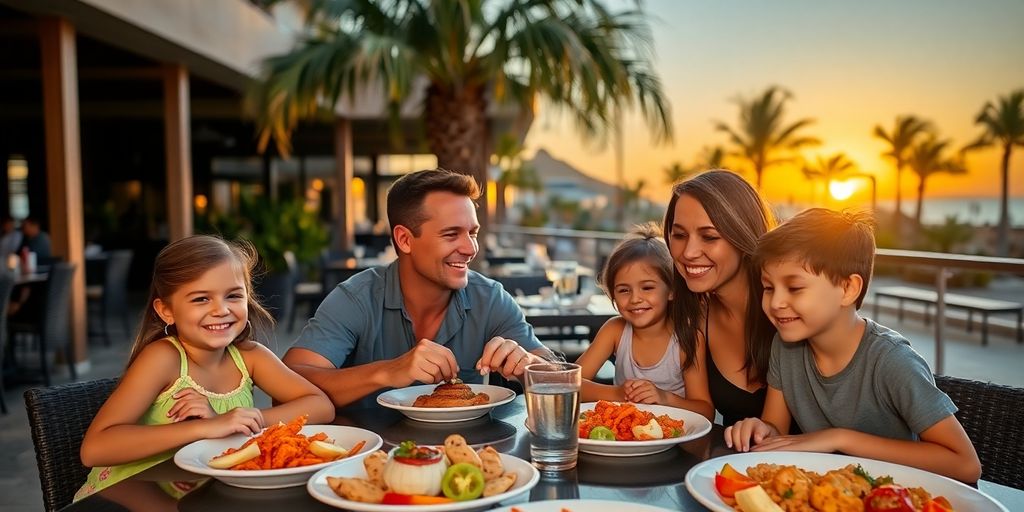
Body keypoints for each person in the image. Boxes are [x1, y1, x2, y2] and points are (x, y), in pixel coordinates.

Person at [725, 208, 980, 483]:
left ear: (848, 289)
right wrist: (761, 429)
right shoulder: (784, 346)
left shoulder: (892, 361)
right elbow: (778, 430)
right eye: (769, 287)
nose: (775, 303)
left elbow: (966, 465)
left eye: (795, 288)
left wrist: (840, 438)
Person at [76, 235, 335, 500]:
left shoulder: (249, 357)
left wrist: (241, 420)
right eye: (201, 299)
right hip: (131, 492)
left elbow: (320, 406)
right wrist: (204, 428)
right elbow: (95, 448)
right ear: (166, 311)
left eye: (233, 295)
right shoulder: (164, 358)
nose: (221, 310)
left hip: (202, 495)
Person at [283, 168, 555, 407]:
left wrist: (529, 367)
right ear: (404, 239)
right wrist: (387, 372)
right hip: (369, 456)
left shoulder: (490, 298)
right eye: (451, 234)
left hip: (465, 455)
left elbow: (556, 374)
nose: (471, 249)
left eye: (472, 233)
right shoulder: (356, 298)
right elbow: (287, 387)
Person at [662, 170, 778, 425]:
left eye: (710, 237)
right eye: (679, 235)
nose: (689, 252)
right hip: (731, 463)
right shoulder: (695, 317)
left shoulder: (787, 311)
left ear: (744, 235)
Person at [576, 223, 713, 419]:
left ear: (672, 290)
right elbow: (571, 383)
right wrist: (617, 394)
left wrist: (664, 398)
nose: (635, 299)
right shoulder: (614, 331)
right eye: (624, 290)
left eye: (647, 288)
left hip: (675, 439)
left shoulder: (687, 339)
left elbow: (705, 410)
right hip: (624, 438)